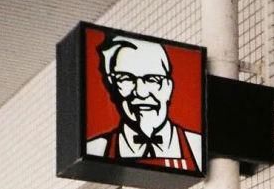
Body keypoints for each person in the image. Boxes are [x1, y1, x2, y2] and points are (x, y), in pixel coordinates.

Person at [86, 33, 203, 172]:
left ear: (168, 87)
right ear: (112, 87)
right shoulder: (97, 150)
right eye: (126, 79)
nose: (141, 92)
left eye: (153, 79)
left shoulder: (197, 147)